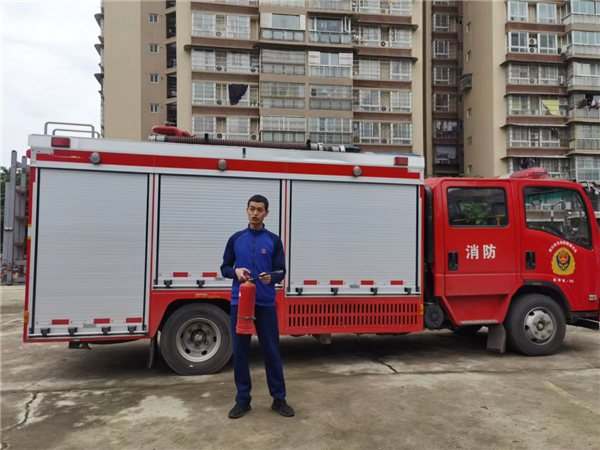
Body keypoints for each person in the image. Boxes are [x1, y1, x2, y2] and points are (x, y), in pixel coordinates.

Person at [220, 194, 295, 419]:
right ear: (247, 210)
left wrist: (272, 278)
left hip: (265, 303)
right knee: (240, 352)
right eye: (252, 209)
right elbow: (224, 267)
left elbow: (281, 270)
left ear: (266, 213)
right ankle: (243, 401)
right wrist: (235, 272)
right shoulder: (236, 239)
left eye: (260, 210)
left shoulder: (273, 240)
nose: (255, 213)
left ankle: (279, 399)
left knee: (271, 350)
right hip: (240, 303)